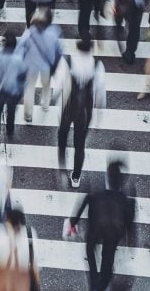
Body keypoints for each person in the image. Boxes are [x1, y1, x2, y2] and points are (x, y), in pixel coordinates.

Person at [67, 161, 136, 290]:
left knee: (90, 250)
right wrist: (131, 241)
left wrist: (73, 222)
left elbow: (86, 200)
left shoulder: (97, 193)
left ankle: (94, 283)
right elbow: (130, 222)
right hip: (114, 231)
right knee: (107, 262)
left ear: (108, 178)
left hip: (96, 229)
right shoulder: (125, 199)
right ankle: (101, 284)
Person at [53, 39, 106, 188]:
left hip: (68, 108)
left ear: (77, 46)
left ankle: (62, 166)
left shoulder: (68, 62)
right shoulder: (97, 66)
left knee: (62, 136)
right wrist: (99, 118)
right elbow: (101, 94)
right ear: (91, 48)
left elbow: (58, 86)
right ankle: (76, 177)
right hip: (85, 111)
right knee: (80, 144)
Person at [16, 7, 63, 123]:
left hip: (30, 65)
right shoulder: (54, 32)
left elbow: (20, 50)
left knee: (29, 88)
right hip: (46, 65)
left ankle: (28, 114)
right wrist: (55, 65)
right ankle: (45, 103)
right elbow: (59, 51)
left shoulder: (29, 33)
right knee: (46, 84)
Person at [0, 32, 28, 149]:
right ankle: (10, 128)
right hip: (13, 91)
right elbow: (23, 76)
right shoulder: (19, 60)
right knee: (11, 110)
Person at [0, 208, 40, 291]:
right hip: (23, 286)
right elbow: (35, 268)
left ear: (8, 222)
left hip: (2, 285)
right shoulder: (30, 235)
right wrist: (38, 286)